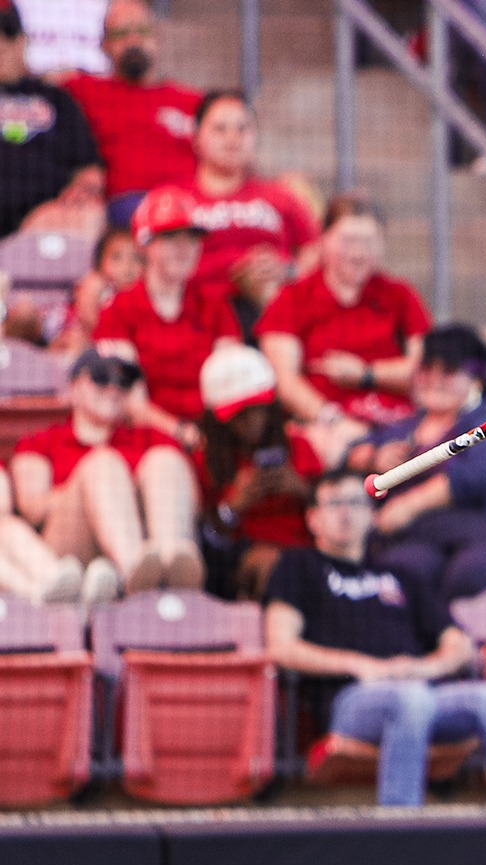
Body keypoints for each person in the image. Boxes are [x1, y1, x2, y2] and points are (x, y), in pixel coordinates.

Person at [264, 469, 486, 808]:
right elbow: (281, 646)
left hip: (420, 690)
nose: (346, 512)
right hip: (351, 701)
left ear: (371, 515)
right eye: (334, 503)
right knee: (410, 700)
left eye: (356, 502)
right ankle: (400, 830)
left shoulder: (399, 575)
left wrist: (419, 669)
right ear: (313, 519)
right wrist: (361, 666)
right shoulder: (298, 566)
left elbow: (459, 644)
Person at [351, 325, 486, 602]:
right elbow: (353, 451)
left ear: (476, 380)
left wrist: (407, 506)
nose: (434, 380)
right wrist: (373, 458)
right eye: (427, 369)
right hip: (427, 542)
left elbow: (476, 475)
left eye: (448, 372)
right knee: (405, 567)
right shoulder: (408, 426)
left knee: (472, 570)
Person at [10, 349, 202, 602]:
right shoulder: (42, 440)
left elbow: (194, 504)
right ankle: (134, 572)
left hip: (148, 542)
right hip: (71, 550)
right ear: (73, 388)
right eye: (101, 377)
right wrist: (102, 491)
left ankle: (170, 567)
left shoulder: (150, 438)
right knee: (103, 465)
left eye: (123, 382)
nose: (113, 388)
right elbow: (31, 507)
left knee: (164, 460)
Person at [255, 194, 428, 442]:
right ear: (323, 241)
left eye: (369, 242)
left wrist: (367, 374)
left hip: (397, 421)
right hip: (326, 424)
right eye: (347, 241)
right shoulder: (292, 298)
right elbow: (285, 381)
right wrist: (332, 420)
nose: (358, 253)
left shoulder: (400, 295)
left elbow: (425, 369)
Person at [93, 187, 240, 451]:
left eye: (192, 238)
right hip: (147, 439)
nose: (184, 249)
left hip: (212, 433)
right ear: (144, 244)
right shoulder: (118, 309)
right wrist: (183, 432)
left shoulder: (215, 305)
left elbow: (232, 380)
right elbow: (129, 400)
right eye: (171, 238)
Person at [158, 90, 321, 323]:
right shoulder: (171, 199)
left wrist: (290, 270)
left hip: (272, 307)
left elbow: (315, 249)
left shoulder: (281, 196)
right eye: (220, 129)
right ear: (195, 137)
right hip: (197, 313)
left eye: (242, 129)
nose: (232, 138)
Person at [195, 341, 320, 601]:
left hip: (307, 553)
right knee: (270, 564)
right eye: (240, 413)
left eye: (258, 408)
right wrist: (233, 507)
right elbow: (207, 544)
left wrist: (304, 490)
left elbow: (333, 512)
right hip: (240, 562)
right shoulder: (203, 461)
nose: (252, 420)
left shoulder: (299, 446)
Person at [61, 0, 201, 226]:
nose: (133, 40)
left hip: (188, 209)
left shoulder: (192, 101)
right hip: (119, 212)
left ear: (157, 38)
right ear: (104, 44)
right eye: (121, 33)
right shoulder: (83, 90)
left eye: (142, 31)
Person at [0, 6, 103, 240]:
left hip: (44, 224)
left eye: (8, 34)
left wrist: (77, 196)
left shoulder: (56, 98)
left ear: (22, 41)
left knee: (87, 216)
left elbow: (89, 170)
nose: (1, 45)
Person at [51, 224, 140, 356]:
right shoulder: (96, 284)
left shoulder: (139, 294)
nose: (127, 266)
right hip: (73, 333)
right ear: (100, 264)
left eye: (136, 258)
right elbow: (89, 321)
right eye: (116, 258)